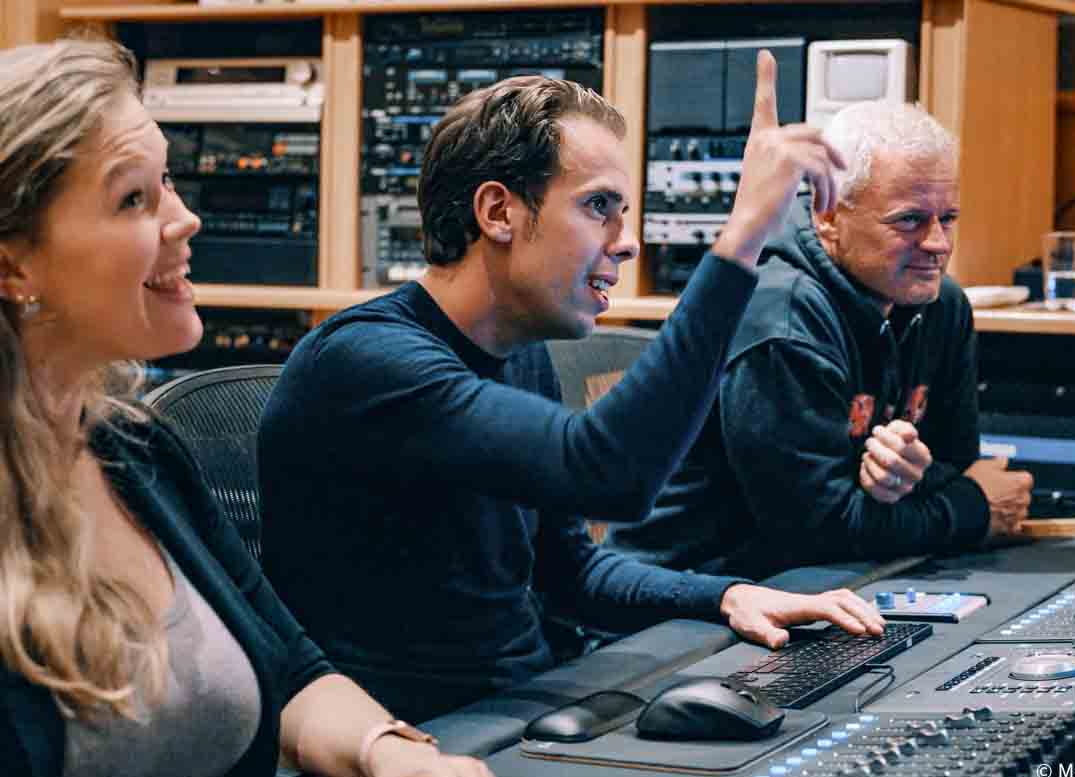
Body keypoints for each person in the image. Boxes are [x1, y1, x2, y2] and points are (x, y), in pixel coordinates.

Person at [258, 53, 886, 724]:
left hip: (519, 708)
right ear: (498, 211)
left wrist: (728, 596)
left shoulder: (518, 350)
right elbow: (609, 474)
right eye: (598, 207)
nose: (628, 243)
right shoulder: (366, 363)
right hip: (416, 739)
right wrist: (742, 238)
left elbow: (569, 571)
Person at [0, 38, 496, 777]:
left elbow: (291, 668)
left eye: (168, 181)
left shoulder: (135, 452)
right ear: (13, 265)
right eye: (133, 199)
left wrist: (390, 752)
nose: (185, 219)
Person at [605, 101, 1034, 580]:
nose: (938, 243)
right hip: (695, 589)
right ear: (828, 214)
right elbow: (818, 532)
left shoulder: (942, 306)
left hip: (826, 574)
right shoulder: (782, 319)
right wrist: (972, 508)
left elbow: (955, 465)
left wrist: (912, 478)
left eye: (948, 218)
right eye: (910, 220)